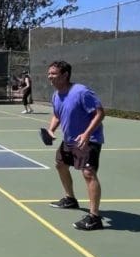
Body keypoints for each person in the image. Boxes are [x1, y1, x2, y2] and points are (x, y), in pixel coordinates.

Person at [45, 60, 105, 231]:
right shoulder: (56, 95)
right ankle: (70, 199)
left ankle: (94, 217)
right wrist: (51, 130)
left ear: (65, 75)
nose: (50, 77)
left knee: (88, 173)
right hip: (69, 139)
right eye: (49, 73)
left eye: (54, 73)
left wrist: (86, 134)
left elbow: (100, 113)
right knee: (60, 164)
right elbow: (57, 115)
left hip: (89, 139)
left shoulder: (81, 92)